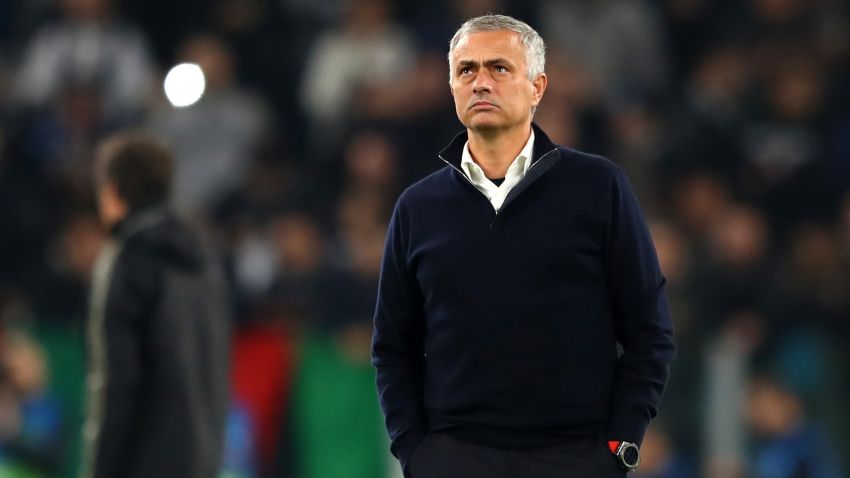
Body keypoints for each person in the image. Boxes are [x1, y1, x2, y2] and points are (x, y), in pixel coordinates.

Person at [372, 14, 676, 478]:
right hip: (455, 459)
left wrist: (620, 445)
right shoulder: (417, 207)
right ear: (452, 87)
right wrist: (415, 451)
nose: (480, 83)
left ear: (537, 87)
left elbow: (650, 331)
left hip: (575, 457)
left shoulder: (599, 187)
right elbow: (393, 347)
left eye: (499, 68)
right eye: (466, 70)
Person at [81, 134, 231, 478]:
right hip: (203, 463)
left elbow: (117, 383)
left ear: (113, 191)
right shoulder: (206, 259)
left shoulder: (128, 259)